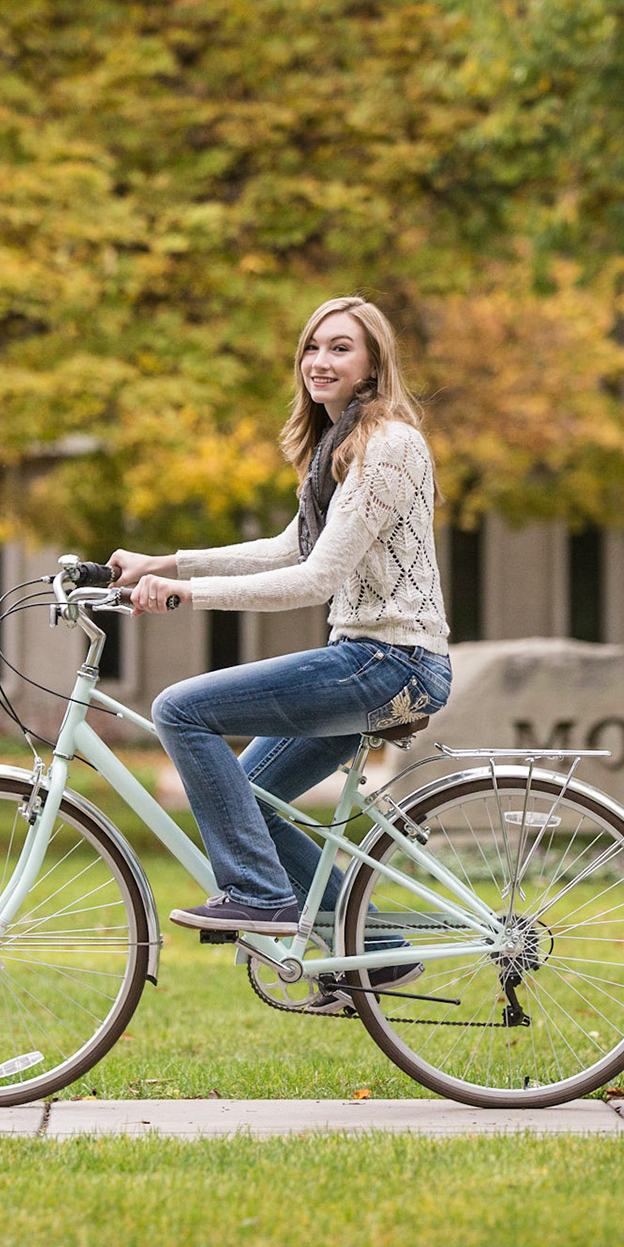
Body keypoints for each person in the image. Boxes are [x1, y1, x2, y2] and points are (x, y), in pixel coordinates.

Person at [108, 295, 452, 1005]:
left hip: (391, 662)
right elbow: (290, 548)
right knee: (245, 801)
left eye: (341, 349)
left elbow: (316, 579)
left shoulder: (386, 446)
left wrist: (184, 598)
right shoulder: (340, 446)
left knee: (178, 709)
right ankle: (376, 952)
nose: (320, 361)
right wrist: (165, 563)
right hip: (370, 661)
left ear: (372, 367)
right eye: (312, 347)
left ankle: (261, 897)